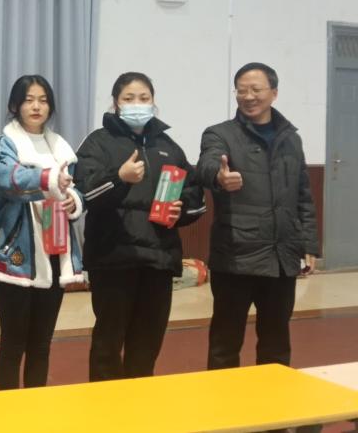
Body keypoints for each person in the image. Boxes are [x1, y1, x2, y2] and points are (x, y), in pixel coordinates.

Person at [73, 71, 205, 381]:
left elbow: (195, 197)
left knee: (147, 346)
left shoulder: (168, 147)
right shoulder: (98, 142)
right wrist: (119, 177)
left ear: (153, 102)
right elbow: (85, 191)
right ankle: (104, 406)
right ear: (116, 103)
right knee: (108, 344)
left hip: (158, 259)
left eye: (144, 98)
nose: (137, 104)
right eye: (129, 98)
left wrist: (181, 209)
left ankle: (139, 404)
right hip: (113, 258)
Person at [198, 62, 319, 370]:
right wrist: (219, 177)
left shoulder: (291, 139)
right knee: (225, 343)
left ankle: (274, 401)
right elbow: (207, 164)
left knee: (276, 343)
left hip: (281, 257)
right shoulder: (220, 134)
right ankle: (223, 400)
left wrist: (308, 243)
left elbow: (303, 194)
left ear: (274, 93)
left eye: (256, 89)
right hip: (236, 257)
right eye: (241, 91)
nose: (248, 96)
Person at [0, 75, 85, 389]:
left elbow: (78, 186)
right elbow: (7, 180)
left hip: (55, 248)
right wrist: (48, 180)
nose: (36, 106)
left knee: (42, 343)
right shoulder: (3, 143)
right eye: (29, 100)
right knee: (13, 343)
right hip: (17, 254)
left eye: (43, 100)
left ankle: (35, 408)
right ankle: (8, 410)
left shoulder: (61, 147)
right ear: (15, 105)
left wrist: (74, 200)